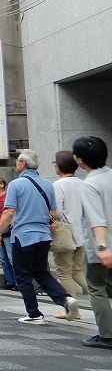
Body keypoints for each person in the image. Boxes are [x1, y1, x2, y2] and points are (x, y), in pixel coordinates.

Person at [0, 149, 80, 324]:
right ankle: (66, 299)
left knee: (23, 276)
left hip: (23, 236)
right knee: (42, 273)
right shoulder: (47, 184)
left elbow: (9, 211)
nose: (16, 163)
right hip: (44, 236)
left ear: (23, 164)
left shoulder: (16, 185)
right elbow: (53, 212)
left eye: (18, 161)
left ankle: (34, 314)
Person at [72, 136, 112, 349]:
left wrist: (103, 247)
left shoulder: (90, 184)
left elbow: (97, 219)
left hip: (101, 247)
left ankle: (107, 335)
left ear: (79, 160)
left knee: (97, 288)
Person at [52, 150, 88, 314]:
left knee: (64, 273)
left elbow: (56, 212)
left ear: (59, 166)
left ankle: (72, 311)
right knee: (78, 270)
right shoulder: (82, 182)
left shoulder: (58, 185)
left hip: (64, 234)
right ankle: (101, 292)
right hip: (81, 233)